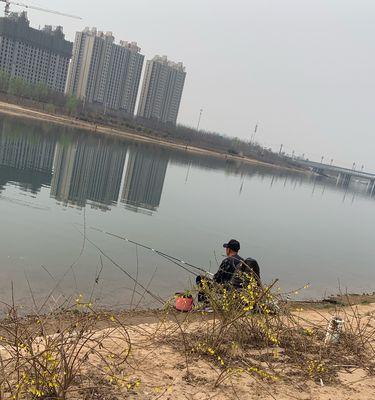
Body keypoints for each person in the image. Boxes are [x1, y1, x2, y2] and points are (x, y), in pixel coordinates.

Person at [196, 239, 260, 305]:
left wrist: (214, 276)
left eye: (226, 248)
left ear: (229, 249)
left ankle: (205, 304)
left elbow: (217, 279)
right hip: (238, 289)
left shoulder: (227, 261)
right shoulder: (243, 262)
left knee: (200, 278)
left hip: (226, 288)